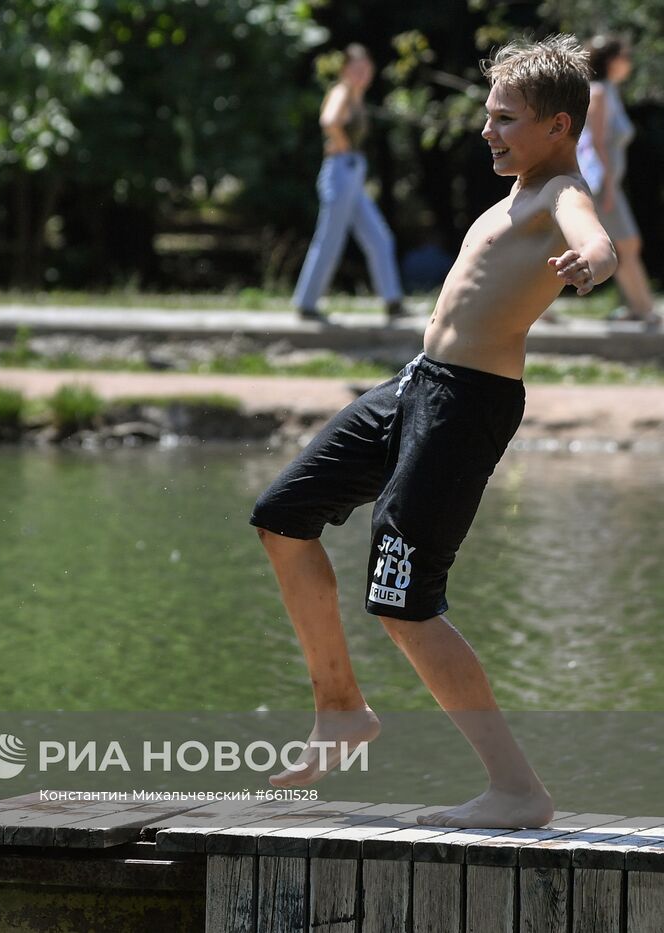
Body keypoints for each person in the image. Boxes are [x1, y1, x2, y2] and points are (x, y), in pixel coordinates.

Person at [250, 36, 616, 828]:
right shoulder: (516, 187)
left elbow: (596, 237)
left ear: (557, 126)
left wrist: (591, 262)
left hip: (467, 404)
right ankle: (340, 708)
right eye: (487, 116)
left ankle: (517, 789)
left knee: (404, 599)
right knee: (283, 517)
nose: (489, 131)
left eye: (506, 119)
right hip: (417, 384)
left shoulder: (559, 192)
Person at [292, 43, 406, 325]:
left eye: (366, 69)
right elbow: (329, 121)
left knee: (379, 238)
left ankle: (392, 301)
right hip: (340, 171)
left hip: (352, 174)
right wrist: (343, 146)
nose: (362, 74)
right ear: (345, 70)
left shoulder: (356, 96)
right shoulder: (342, 91)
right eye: (356, 69)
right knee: (329, 240)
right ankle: (306, 304)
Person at [578, 35, 658, 325]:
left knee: (627, 245)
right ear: (611, 61)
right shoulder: (599, 93)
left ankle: (639, 307)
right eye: (625, 56)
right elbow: (595, 143)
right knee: (626, 244)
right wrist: (610, 186)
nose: (629, 62)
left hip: (608, 185)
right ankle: (643, 309)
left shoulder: (609, 91)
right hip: (602, 185)